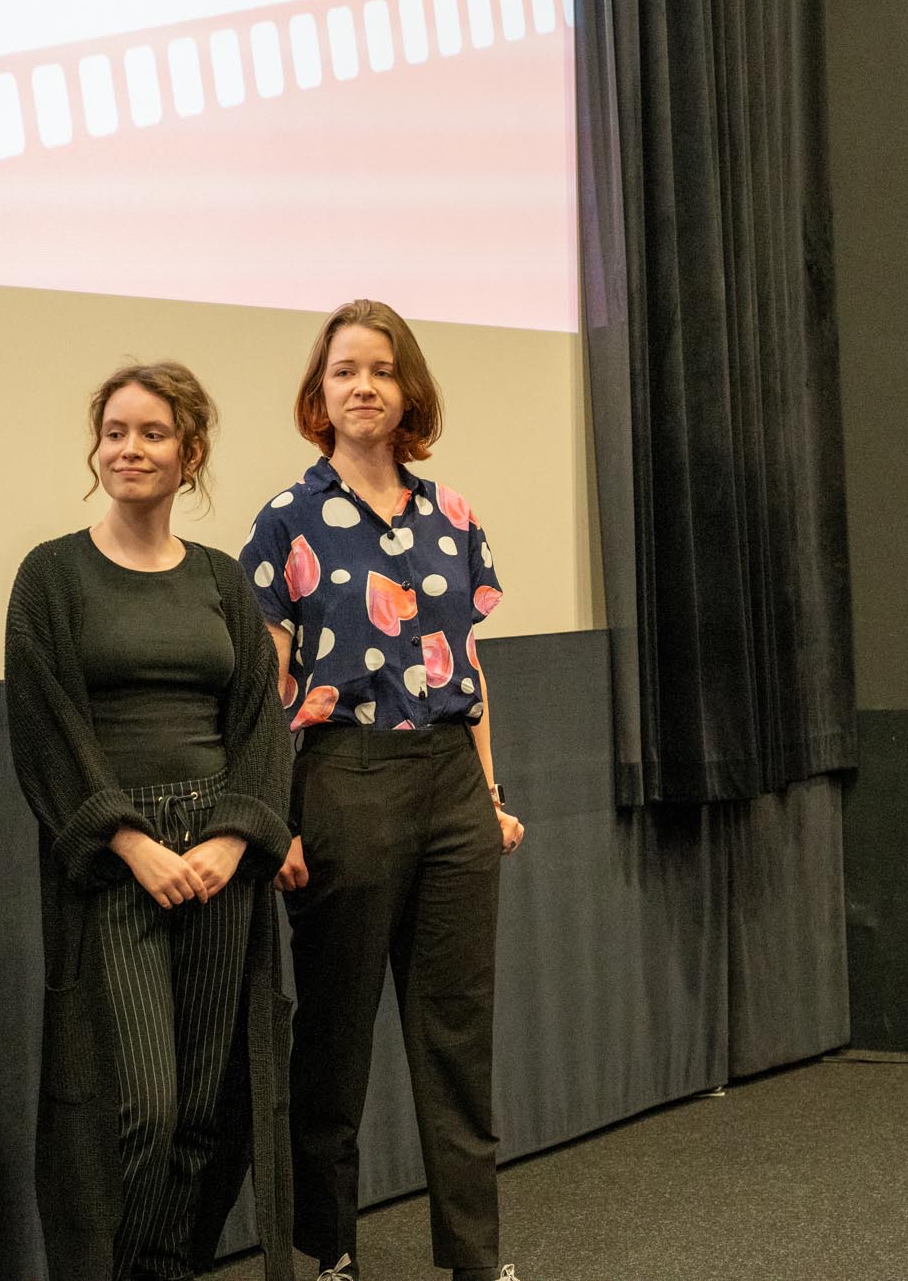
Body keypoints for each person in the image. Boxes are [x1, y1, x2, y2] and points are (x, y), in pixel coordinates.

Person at [239, 301, 525, 1281]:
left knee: (456, 1031)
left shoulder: (451, 516)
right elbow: (267, 688)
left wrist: (487, 795)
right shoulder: (285, 520)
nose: (361, 385)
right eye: (341, 371)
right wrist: (271, 819)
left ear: (408, 390)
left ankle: (475, 1257)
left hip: (449, 777)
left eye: (378, 369)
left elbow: (467, 661)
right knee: (332, 1033)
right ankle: (330, 1251)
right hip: (343, 778)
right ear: (317, 396)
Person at [5, 362, 295, 1281]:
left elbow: (260, 716)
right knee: (142, 1107)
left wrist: (231, 837)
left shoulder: (218, 579)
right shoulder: (53, 575)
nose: (129, 448)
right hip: (115, 862)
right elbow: (45, 725)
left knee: (208, 1110)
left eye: (153, 433)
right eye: (115, 431)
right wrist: (131, 842)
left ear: (190, 454)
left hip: (218, 857)